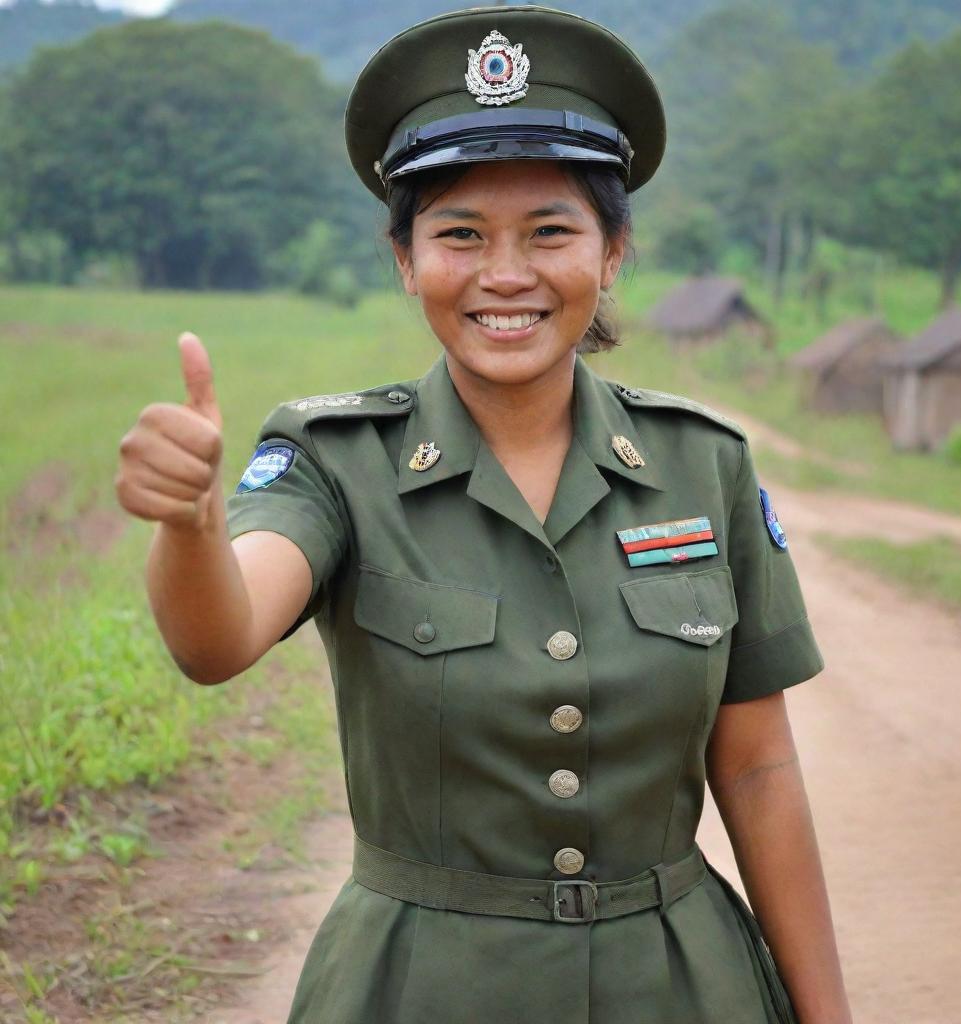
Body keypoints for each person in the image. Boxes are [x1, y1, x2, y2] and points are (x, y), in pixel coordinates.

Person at [115, 6, 853, 1023]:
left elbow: (760, 767)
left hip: (678, 986)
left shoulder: (702, 463)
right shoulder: (338, 460)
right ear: (405, 259)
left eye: (550, 231)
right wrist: (190, 522)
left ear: (612, 252)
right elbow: (217, 636)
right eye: (459, 234)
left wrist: (826, 1015)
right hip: (418, 987)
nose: (505, 275)